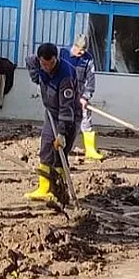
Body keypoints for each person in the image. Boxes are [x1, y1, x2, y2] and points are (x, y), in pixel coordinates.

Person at [23, 43, 84, 203]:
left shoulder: (66, 76)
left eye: (50, 64)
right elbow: (30, 62)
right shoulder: (36, 62)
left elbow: (67, 108)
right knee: (45, 150)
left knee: (59, 154)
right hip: (51, 113)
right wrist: (36, 75)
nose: (47, 68)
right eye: (44, 64)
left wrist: (62, 133)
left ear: (56, 59)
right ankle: (43, 189)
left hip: (69, 117)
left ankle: (60, 192)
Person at [60, 35, 104, 160]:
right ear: (74, 46)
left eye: (84, 50)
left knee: (86, 119)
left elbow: (90, 79)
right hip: (63, 95)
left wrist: (85, 96)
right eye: (80, 50)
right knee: (61, 120)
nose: (82, 52)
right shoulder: (63, 54)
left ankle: (90, 150)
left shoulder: (88, 59)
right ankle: (58, 147)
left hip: (80, 95)